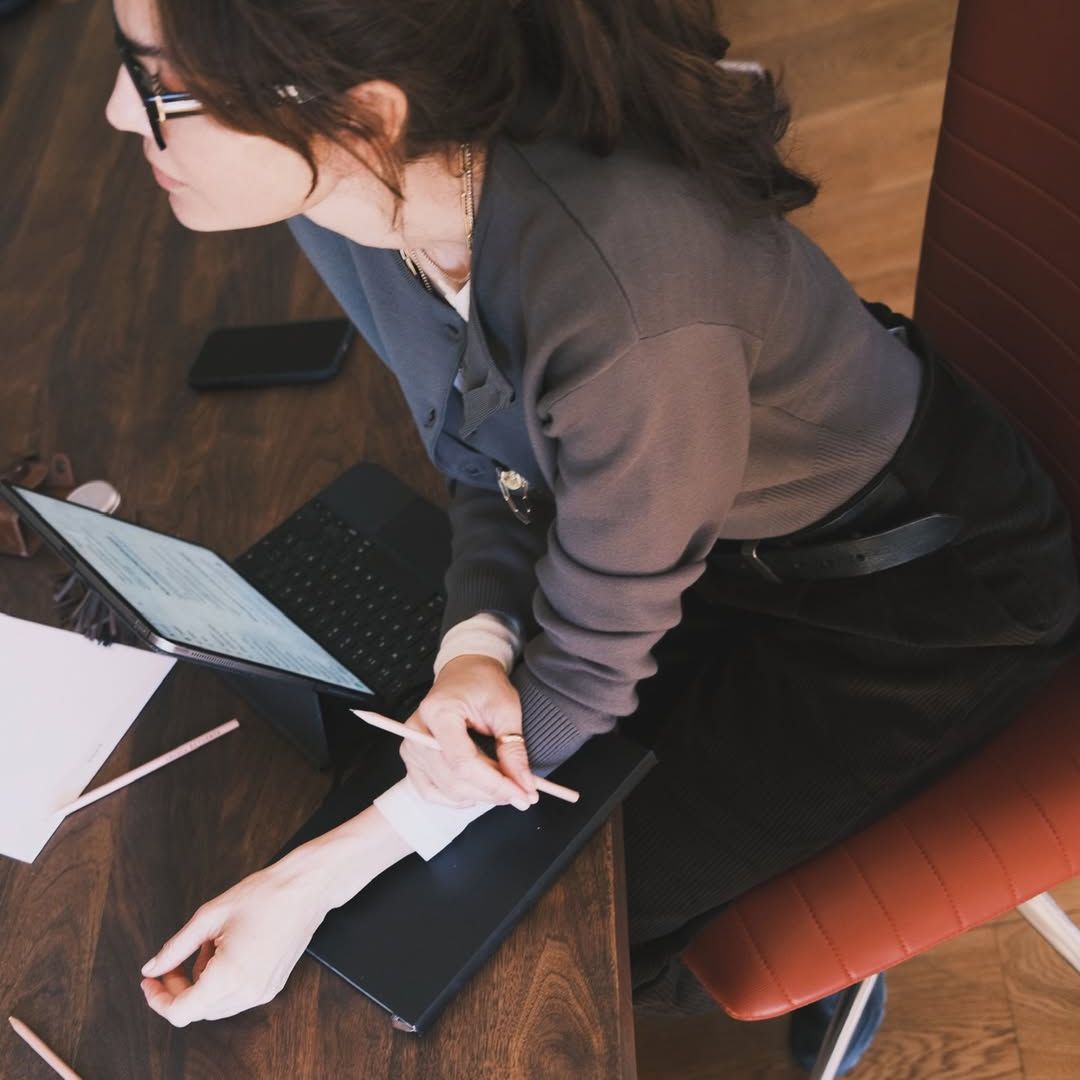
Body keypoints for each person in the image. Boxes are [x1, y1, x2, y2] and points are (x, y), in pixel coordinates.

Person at [105, 0, 1078, 1070]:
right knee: (438, 830)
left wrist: (313, 877)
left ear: (364, 115)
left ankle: (801, 1000)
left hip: (919, 598)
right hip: (691, 528)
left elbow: (580, 682)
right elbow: (488, 448)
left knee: (554, 915)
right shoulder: (360, 195)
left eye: (157, 86)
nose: (119, 113)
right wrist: (473, 641)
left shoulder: (628, 300)